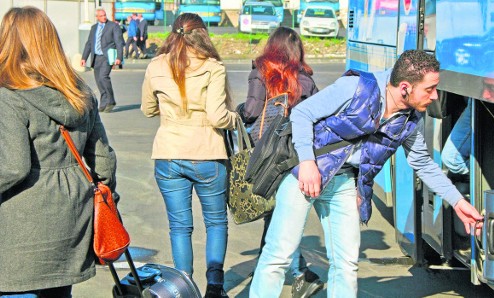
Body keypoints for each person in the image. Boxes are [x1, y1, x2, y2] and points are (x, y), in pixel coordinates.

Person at [250, 50, 484, 297]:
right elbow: (301, 113)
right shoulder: (356, 87)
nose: (435, 95)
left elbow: (422, 163)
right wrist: (307, 162)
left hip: (344, 183)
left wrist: (458, 201)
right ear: (405, 87)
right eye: (430, 89)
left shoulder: (410, 119)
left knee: (346, 264)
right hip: (306, 174)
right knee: (278, 255)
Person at [0, 6, 118, 297]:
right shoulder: (78, 90)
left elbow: (13, 166)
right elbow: (103, 161)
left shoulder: (8, 94)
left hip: (19, 224)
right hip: (72, 217)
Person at [140, 13, 237, 298]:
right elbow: (219, 117)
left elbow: (147, 109)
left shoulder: (156, 65)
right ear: (203, 34)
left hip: (168, 153)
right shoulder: (213, 67)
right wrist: (236, 119)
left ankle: (184, 288)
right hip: (207, 153)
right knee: (216, 221)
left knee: (179, 227)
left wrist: (171, 114)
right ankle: (215, 289)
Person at [236, 27, 323, 298]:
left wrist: (238, 112)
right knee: (280, 212)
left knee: (278, 215)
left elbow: (251, 112)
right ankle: (274, 267)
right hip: (296, 153)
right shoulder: (306, 79)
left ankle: (299, 274)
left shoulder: (261, 71)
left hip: (266, 152)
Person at [81, 7, 124, 113]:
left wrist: (119, 57)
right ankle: (104, 102)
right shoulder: (94, 28)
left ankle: (111, 101)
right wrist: (84, 58)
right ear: (97, 17)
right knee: (99, 80)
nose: (104, 17)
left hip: (107, 57)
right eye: (101, 16)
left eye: (105, 15)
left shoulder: (113, 26)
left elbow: (119, 42)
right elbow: (89, 43)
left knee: (103, 77)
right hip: (96, 58)